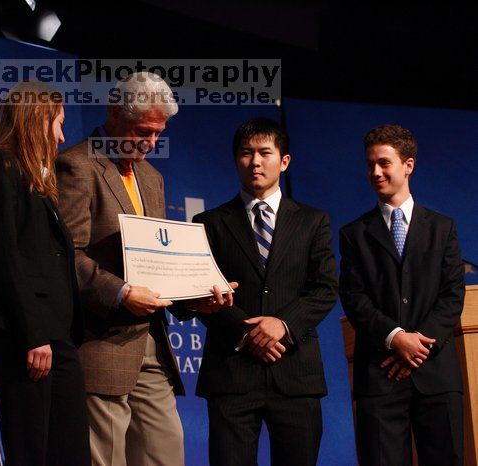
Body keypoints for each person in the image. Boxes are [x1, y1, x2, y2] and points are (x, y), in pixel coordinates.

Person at [56, 72, 233, 466]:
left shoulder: (152, 178)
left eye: (158, 133)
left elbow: (159, 261)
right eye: (143, 131)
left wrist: (195, 298)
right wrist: (119, 292)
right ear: (115, 115)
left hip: (152, 344)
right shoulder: (77, 166)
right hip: (101, 342)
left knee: (166, 454)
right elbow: (67, 255)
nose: (151, 143)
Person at [192, 118, 338, 466]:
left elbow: (325, 288)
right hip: (232, 373)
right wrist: (250, 332)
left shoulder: (312, 221)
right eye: (246, 153)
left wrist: (281, 324)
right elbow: (197, 292)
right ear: (236, 160)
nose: (255, 161)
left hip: (295, 372)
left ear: (284, 161)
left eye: (264, 153)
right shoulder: (208, 223)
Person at [0, 82, 90, 466]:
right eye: (58, 124)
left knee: (69, 453)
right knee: (32, 450)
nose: (63, 136)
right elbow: (5, 259)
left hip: (55, 335)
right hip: (23, 336)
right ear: (36, 120)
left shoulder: (37, 180)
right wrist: (32, 335)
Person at [339, 124, 465, 466]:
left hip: (435, 375)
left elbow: (453, 295)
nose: (375, 172)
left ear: (408, 165)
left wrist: (417, 344)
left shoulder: (443, 228)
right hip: (380, 377)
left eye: (384, 163)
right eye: (369, 165)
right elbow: (354, 298)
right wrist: (396, 339)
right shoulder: (354, 235)